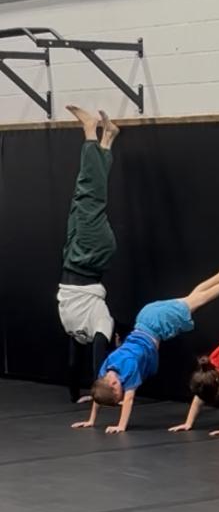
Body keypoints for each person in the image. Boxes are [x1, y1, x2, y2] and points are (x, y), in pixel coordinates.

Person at [70, 267, 219, 433]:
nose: (123, 394)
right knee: (190, 300)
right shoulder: (104, 372)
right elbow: (98, 394)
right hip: (146, 317)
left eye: (119, 393)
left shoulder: (129, 367)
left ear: (112, 383)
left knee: (200, 300)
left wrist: (121, 426)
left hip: (157, 322)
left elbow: (130, 399)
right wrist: (91, 420)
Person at [57, 106, 120, 403]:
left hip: (73, 257)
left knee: (80, 200)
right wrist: (98, 392)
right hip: (89, 255)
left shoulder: (75, 331)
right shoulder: (101, 323)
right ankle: (90, 131)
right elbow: (98, 357)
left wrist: (76, 395)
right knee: (88, 197)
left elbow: (72, 363)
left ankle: (107, 140)